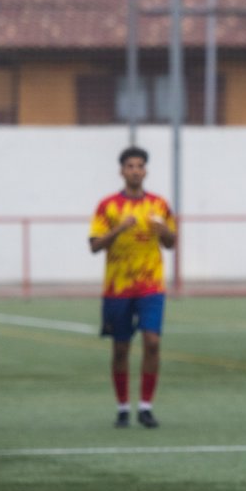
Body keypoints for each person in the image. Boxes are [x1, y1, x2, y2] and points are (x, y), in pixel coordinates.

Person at [88, 146, 177, 429]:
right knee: (120, 349)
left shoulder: (159, 205)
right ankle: (123, 407)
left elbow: (171, 243)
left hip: (151, 286)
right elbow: (94, 245)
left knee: (152, 343)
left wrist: (165, 232)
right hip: (118, 288)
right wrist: (118, 229)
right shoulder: (108, 206)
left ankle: (146, 407)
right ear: (122, 171)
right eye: (130, 166)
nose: (135, 170)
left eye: (140, 166)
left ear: (145, 170)